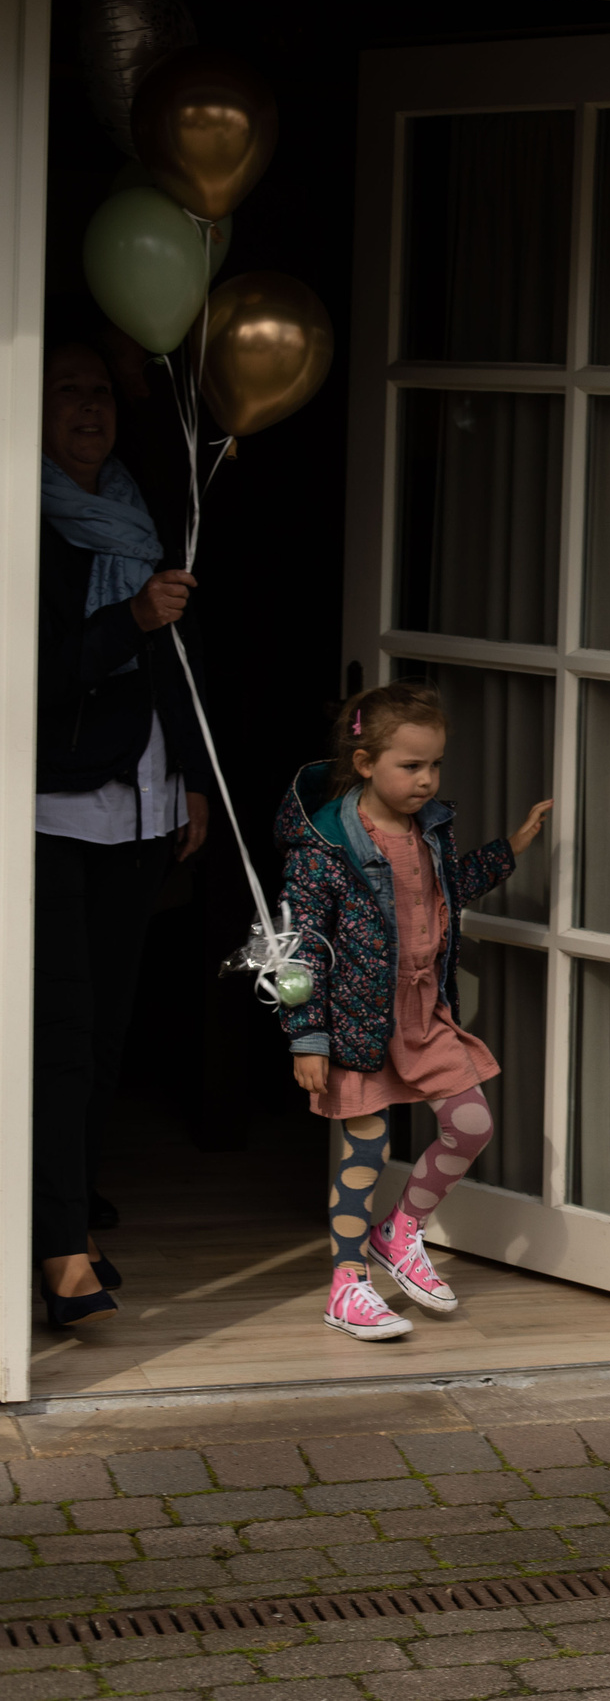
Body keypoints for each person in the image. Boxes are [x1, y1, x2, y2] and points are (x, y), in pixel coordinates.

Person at [271, 682, 552, 1341]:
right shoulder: (325, 847)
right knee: (366, 1145)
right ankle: (347, 1286)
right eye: (411, 765)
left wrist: (510, 847)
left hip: (423, 1011)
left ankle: (399, 1231)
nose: (427, 780)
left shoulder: (430, 832)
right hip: (355, 1019)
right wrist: (307, 1035)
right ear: (365, 763)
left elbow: (449, 887)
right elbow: (297, 945)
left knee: (470, 1123)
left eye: (436, 765)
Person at [33, 339, 212, 1328]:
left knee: (104, 1034)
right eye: (66, 391)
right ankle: (59, 1250)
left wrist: (189, 777)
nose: (88, 407)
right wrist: (131, 618)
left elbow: (174, 660)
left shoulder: (139, 511)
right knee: (59, 1034)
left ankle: (69, 1202)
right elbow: (31, 674)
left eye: (99, 391)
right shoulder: (24, 519)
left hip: (144, 806)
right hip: (53, 810)